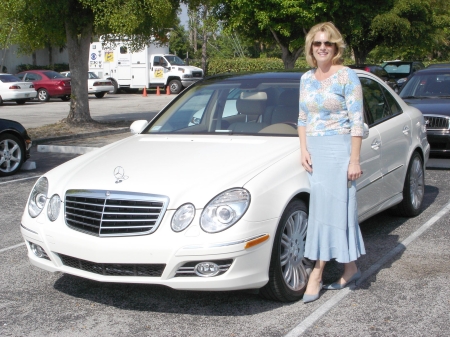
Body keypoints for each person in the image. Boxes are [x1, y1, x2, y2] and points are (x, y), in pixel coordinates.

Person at [297, 22, 366, 304]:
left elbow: (357, 122)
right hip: (315, 151)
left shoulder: (347, 77)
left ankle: (317, 271)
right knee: (325, 212)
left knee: (334, 211)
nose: (322, 48)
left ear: (336, 47)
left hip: (340, 151)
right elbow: (302, 118)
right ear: (311, 48)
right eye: (317, 43)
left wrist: (354, 159)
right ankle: (349, 267)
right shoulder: (305, 78)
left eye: (327, 43)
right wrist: (303, 149)